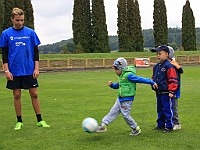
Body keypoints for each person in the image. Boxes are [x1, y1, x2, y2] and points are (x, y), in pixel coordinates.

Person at [0, 8, 50, 130]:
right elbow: (4, 53)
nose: (20, 23)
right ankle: (19, 121)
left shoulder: (30, 33)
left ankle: (40, 120)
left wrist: (36, 68)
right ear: (12, 19)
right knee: (16, 95)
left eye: (22, 20)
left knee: (34, 94)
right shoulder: (6, 34)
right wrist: (6, 70)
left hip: (29, 69)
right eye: (17, 20)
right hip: (14, 70)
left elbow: (36, 52)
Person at [95, 57, 158, 136]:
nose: (115, 71)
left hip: (127, 99)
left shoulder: (129, 75)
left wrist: (151, 82)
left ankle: (135, 128)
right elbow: (119, 85)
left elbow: (140, 79)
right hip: (120, 98)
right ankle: (103, 125)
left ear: (121, 68)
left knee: (125, 115)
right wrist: (112, 85)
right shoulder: (122, 76)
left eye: (116, 69)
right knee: (112, 112)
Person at [151, 45, 179, 133]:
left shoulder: (169, 66)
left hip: (166, 92)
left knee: (167, 109)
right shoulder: (156, 66)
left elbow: (173, 79)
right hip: (159, 92)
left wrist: (171, 91)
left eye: (160, 53)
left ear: (166, 54)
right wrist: (153, 84)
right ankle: (160, 124)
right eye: (157, 54)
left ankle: (169, 126)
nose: (158, 55)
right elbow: (153, 77)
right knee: (159, 109)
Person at [168, 46, 183, 130]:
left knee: (174, 107)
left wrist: (174, 90)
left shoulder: (173, 63)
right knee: (169, 107)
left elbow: (179, 72)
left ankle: (177, 123)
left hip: (174, 90)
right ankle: (169, 122)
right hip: (169, 89)